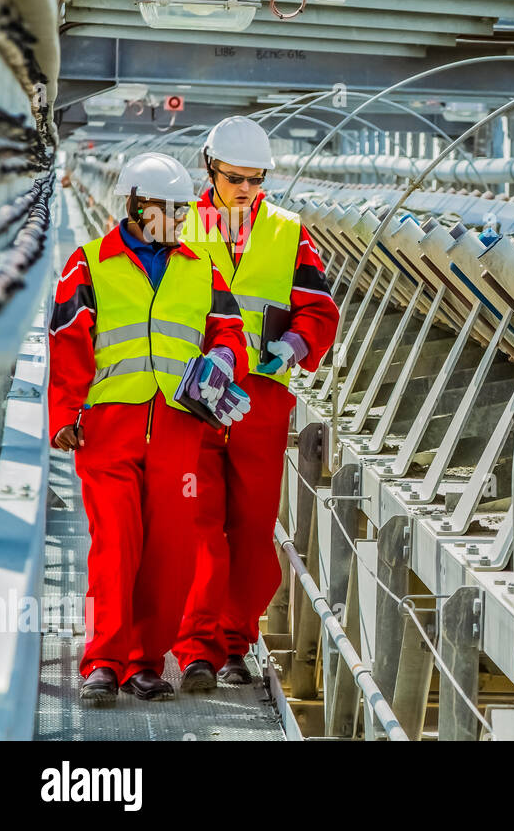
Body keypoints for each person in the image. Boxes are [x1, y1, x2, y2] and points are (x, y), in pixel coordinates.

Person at [48, 152, 249, 703]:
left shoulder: (199, 269)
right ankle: (102, 662)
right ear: (136, 206)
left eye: (183, 211)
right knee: (115, 549)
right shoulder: (89, 264)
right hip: (109, 430)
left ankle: (145, 663)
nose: (179, 220)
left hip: (178, 432)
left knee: (169, 553)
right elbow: (67, 341)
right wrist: (64, 414)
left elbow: (229, 330)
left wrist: (225, 359)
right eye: (168, 210)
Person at [174, 116, 338, 690]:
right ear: (210, 169)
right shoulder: (178, 224)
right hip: (195, 398)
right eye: (234, 178)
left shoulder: (288, 231)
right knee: (199, 526)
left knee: (251, 529)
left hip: (260, 402)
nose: (245, 188)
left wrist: (295, 343)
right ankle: (196, 648)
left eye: (256, 178)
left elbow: (318, 306)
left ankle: (234, 643)